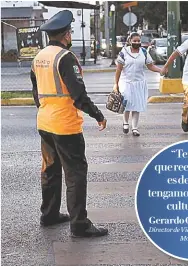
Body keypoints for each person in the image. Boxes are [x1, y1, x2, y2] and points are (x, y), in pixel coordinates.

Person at [30, 10, 108, 238]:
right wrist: (98, 115)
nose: (71, 35)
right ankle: (79, 224)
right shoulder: (65, 58)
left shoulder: (39, 57)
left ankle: (50, 214)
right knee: (75, 174)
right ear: (65, 35)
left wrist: (46, 110)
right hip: (65, 126)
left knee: (51, 171)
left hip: (45, 123)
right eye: (70, 32)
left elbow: (36, 92)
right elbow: (79, 95)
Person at [114, 32, 161, 136]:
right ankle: (125, 123)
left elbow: (150, 66)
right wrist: (116, 84)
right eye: (134, 41)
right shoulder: (124, 52)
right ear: (130, 41)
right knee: (127, 104)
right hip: (126, 82)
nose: (136, 42)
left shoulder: (144, 52)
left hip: (139, 83)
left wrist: (160, 71)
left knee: (137, 106)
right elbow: (119, 69)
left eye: (138, 41)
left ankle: (135, 128)